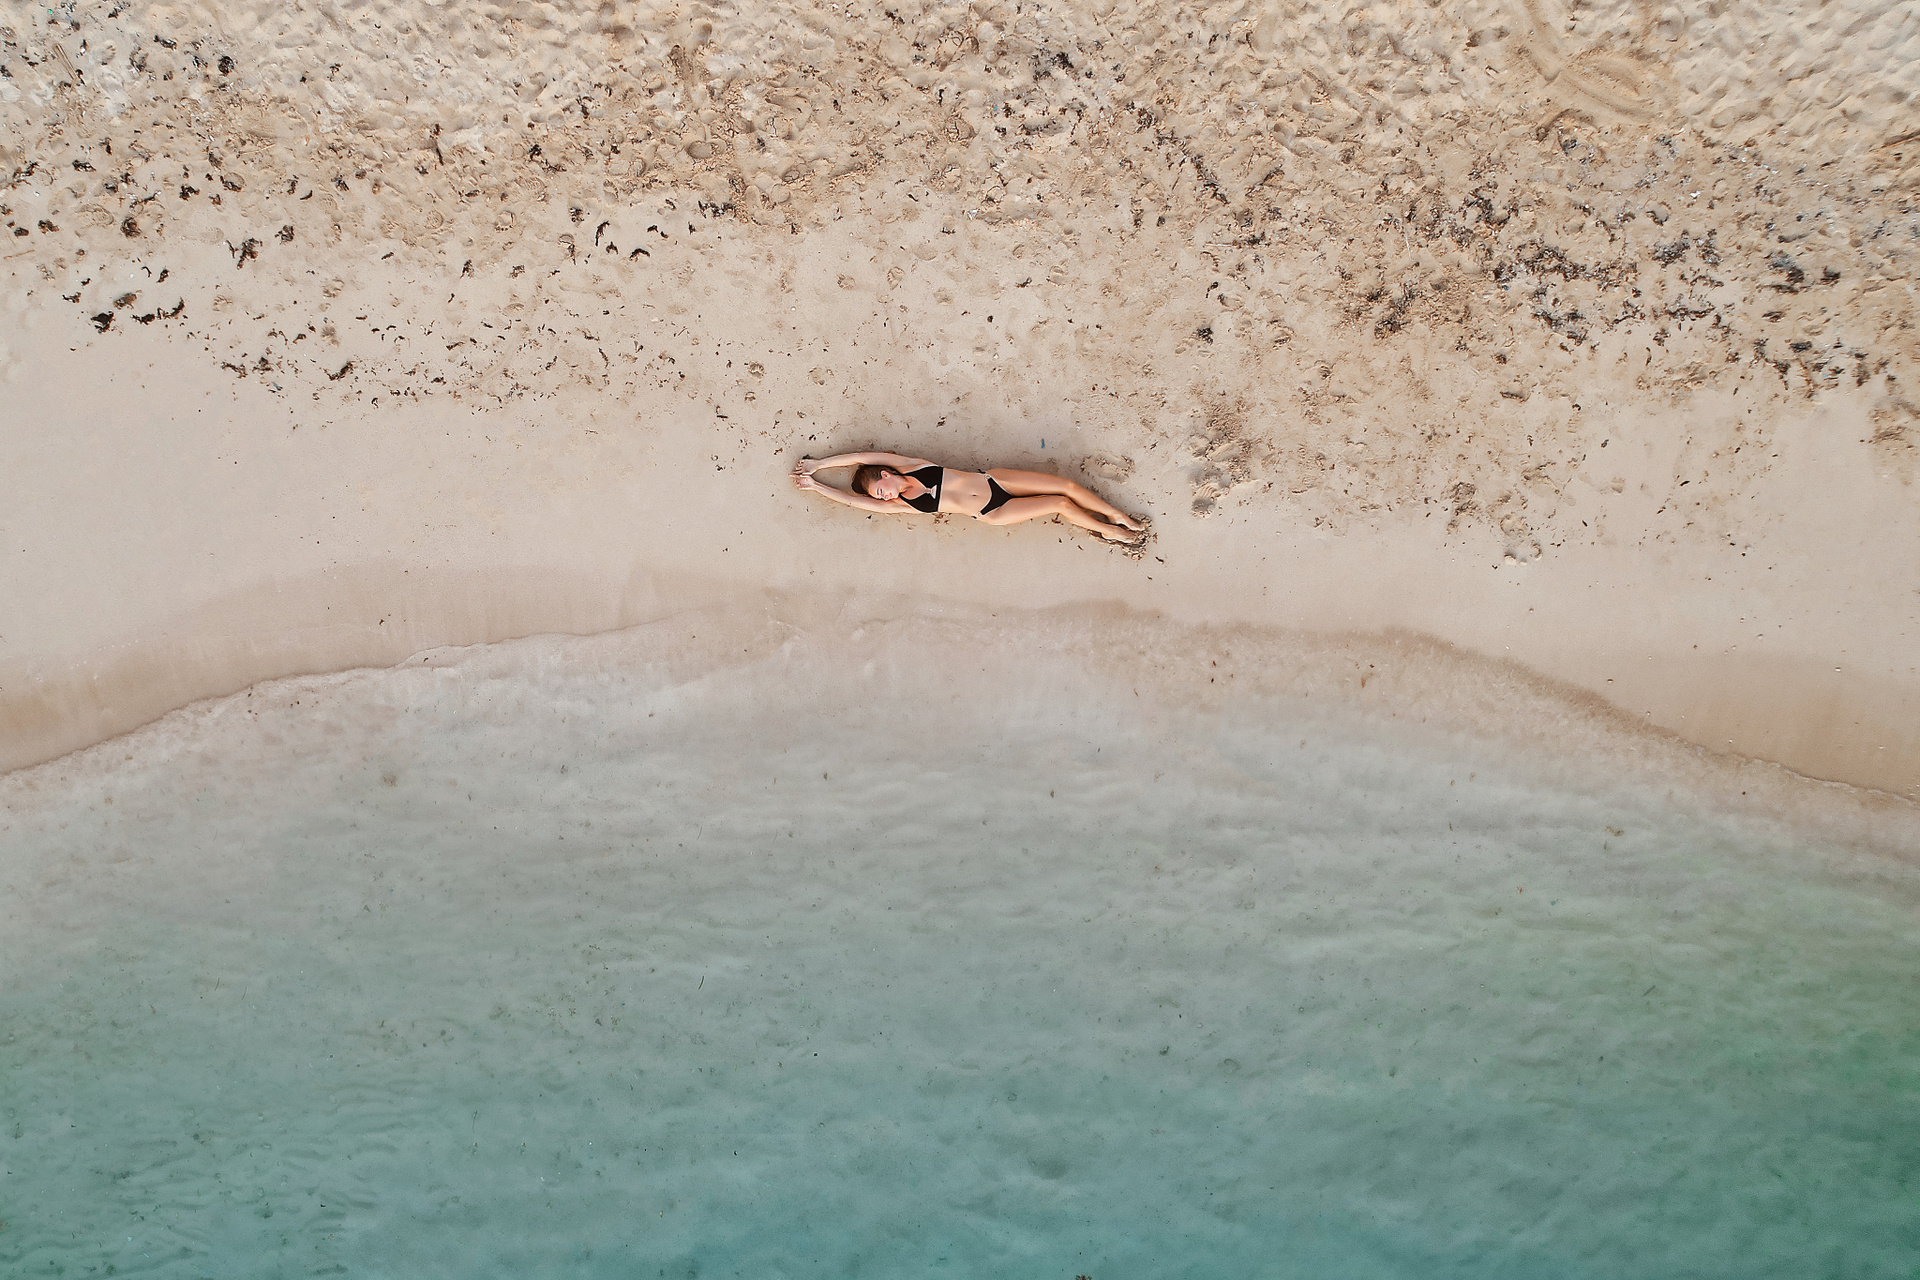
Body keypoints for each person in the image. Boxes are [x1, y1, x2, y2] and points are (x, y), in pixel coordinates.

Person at [791, 451, 1147, 544]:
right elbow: (854, 502)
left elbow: (860, 457)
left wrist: (820, 464)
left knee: (1066, 486)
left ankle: (1117, 515)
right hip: (993, 510)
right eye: (879, 498)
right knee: (1060, 504)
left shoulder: (910, 465)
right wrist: (817, 486)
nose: (883, 498)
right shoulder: (902, 505)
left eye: (880, 490)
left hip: (996, 480)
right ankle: (1110, 531)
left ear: (886, 474)